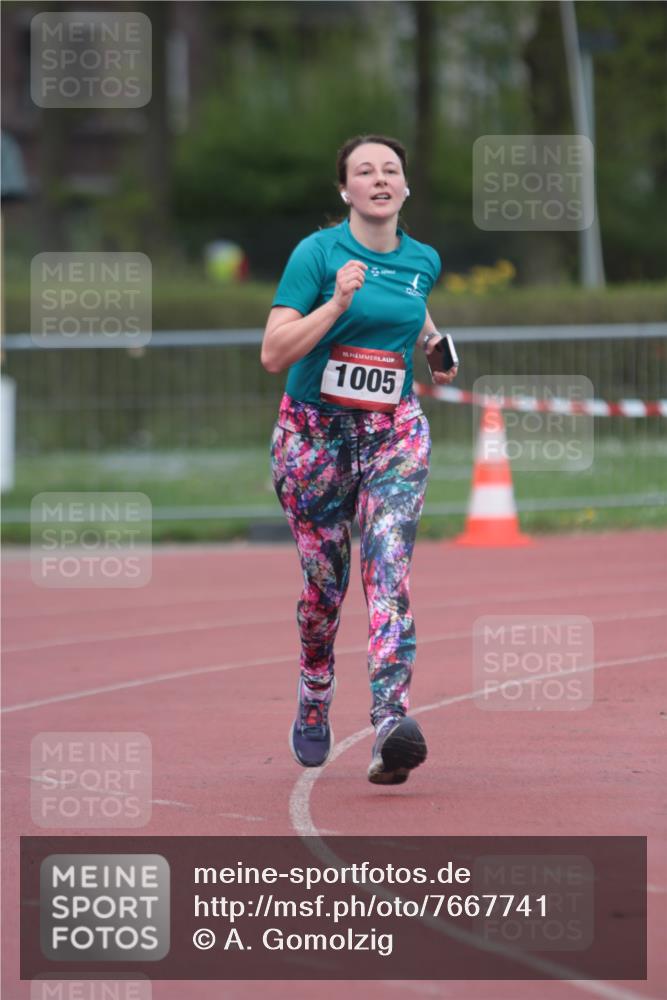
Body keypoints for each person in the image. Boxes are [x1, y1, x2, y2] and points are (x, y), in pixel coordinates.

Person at [261, 134, 458, 785]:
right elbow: (273, 352)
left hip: (391, 436)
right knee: (325, 589)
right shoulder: (316, 255)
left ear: (404, 188)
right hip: (313, 442)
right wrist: (337, 303)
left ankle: (388, 721)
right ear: (344, 190)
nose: (379, 179)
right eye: (364, 171)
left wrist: (433, 342)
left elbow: (411, 298)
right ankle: (315, 690)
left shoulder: (421, 258)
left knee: (387, 569)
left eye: (390, 170)